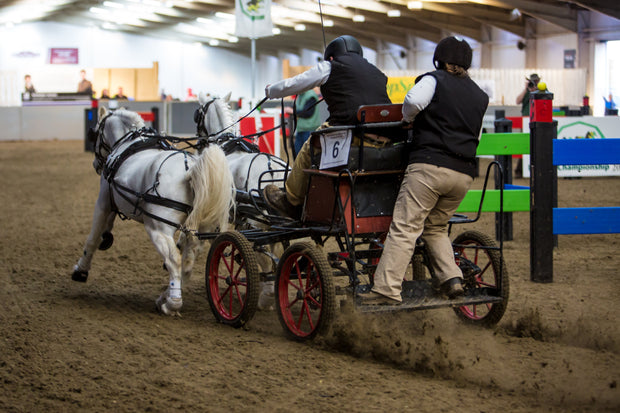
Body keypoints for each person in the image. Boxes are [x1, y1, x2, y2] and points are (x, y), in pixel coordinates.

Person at [358, 36, 489, 305]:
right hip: (463, 174)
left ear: (439, 59)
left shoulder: (433, 79)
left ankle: (386, 289)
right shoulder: (480, 94)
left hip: (430, 166)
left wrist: (407, 119)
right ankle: (452, 278)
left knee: (405, 227)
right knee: (436, 227)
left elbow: (414, 102)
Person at [263, 35, 392, 218]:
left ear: (331, 56)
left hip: (351, 137)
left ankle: (291, 200)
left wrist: (271, 91)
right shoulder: (377, 73)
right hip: (384, 144)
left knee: (309, 147)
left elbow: (296, 83)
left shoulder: (330, 66)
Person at [291, 87, 322, 158]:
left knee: (308, 156)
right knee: (298, 155)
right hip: (301, 129)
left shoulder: (311, 95)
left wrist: (293, 112)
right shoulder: (300, 96)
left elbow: (308, 113)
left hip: (309, 130)